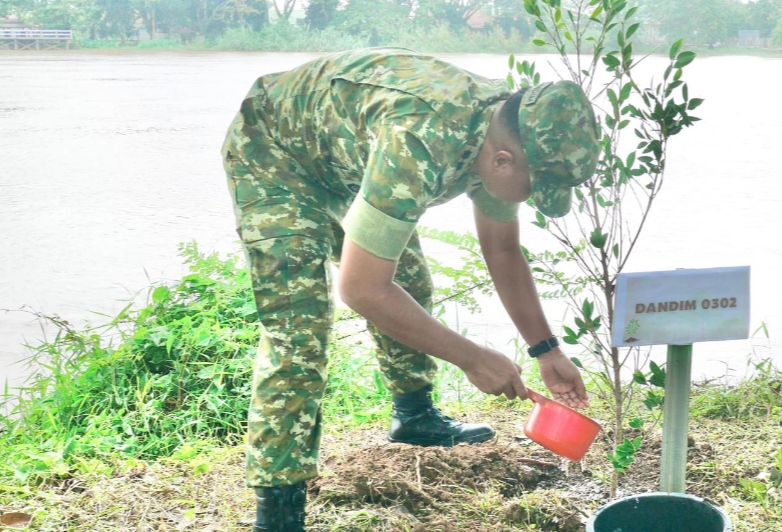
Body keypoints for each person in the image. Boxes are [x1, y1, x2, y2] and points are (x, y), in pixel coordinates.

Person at [221, 47, 599, 532]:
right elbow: (361, 290)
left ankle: (414, 417)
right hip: (274, 154)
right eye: (532, 187)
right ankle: (278, 509)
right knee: (299, 330)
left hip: (340, 156)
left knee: (410, 283)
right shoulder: (420, 141)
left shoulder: (503, 130)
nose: (529, 199)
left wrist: (546, 350)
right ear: (502, 162)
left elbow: (503, 251)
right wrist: (473, 358)